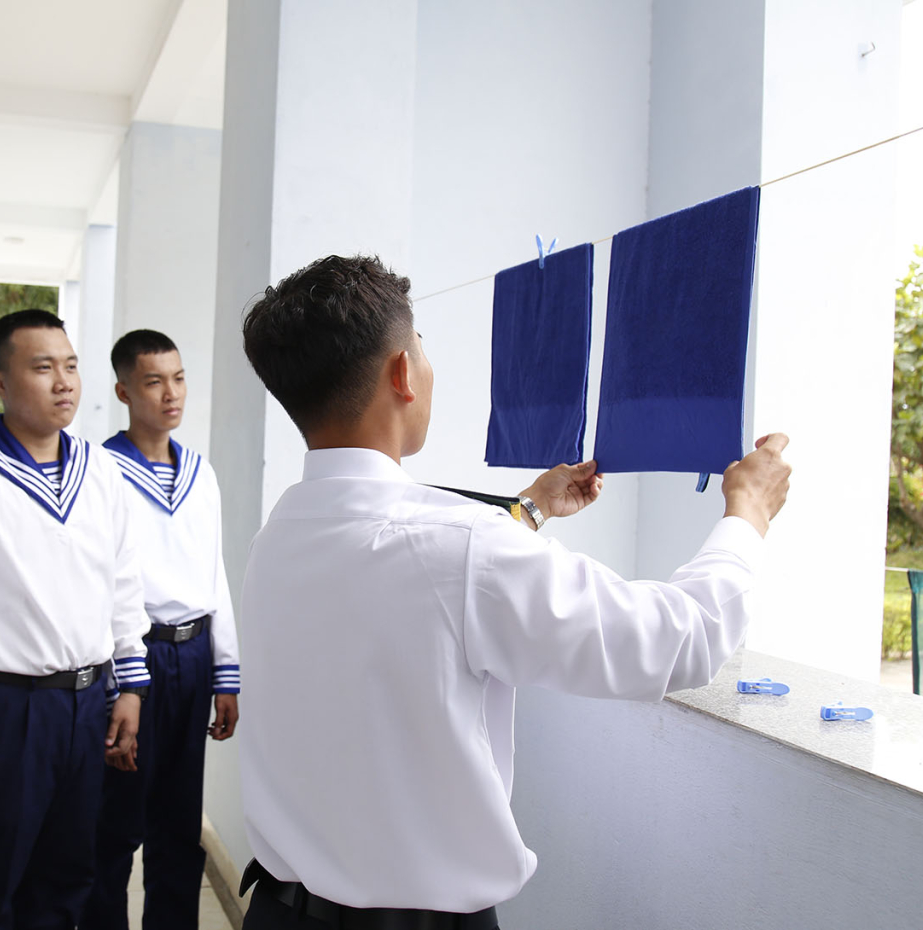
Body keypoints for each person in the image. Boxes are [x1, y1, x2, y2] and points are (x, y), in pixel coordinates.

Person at [235, 255, 792, 929]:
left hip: (280, 911)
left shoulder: (281, 534)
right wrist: (748, 512)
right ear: (402, 373)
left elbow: (417, 580)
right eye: (422, 349)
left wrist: (529, 509)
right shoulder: (460, 546)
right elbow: (681, 639)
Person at [0, 309, 150, 930]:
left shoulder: (100, 469)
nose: (64, 382)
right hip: (4, 710)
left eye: (70, 365)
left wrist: (130, 685)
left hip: (87, 704)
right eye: (43, 368)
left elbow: (123, 583)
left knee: (67, 881)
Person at [80, 330, 241, 930]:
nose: (171, 393)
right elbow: (95, 581)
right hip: (133, 658)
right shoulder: (99, 471)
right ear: (124, 391)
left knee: (178, 822)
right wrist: (120, 679)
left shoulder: (201, 473)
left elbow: (214, 573)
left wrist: (226, 672)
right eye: (154, 381)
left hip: (193, 656)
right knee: (115, 823)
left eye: (178, 378)